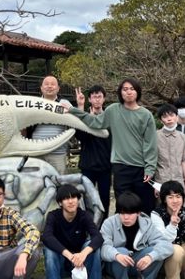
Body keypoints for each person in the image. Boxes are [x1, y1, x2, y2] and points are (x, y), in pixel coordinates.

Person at [68, 78, 158, 214]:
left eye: (132, 89)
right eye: (125, 89)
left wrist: (150, 168)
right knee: (122, 204)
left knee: (145, 204)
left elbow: (150, 143)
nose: (128, 92)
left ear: (138, 92)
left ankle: (144, 234)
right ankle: (121, 233)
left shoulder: (146, 115)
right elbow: (94, 123)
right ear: (120, 93)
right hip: (120, 166)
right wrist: (73, 110)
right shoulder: (113, 110)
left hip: (142, 168)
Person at [42, 184, 109, 279]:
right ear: (60, 202)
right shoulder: (53, 216)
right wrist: (69, 255)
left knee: (92, 246)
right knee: (49, 250)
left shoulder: (84, 216)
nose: (71, 201)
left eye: (74, 197)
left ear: (79, 200)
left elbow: (98, 237)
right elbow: (47, 237)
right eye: (66, 198)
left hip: (81, 263)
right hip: (62, 262)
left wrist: (83, 253)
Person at [100, 191, 173, 279]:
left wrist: (151, 257)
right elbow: (103, 248)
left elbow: (166, 245)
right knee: (121, 251)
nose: (126, 217)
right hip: (115, 265)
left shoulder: (147, 224)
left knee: (154, 251)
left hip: (136, 264)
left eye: (130, 213)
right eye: (122, 213)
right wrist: (116, 255)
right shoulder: (109, 223)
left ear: (138, 213)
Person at [74, 85, 112, 218]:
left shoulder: (109, 118)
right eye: (94, 97)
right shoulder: (84, 117)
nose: (97, 100)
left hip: (105, 165)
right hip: (88, 164)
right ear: (89, 99)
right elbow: (79, 136)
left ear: (104, 99)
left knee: (104, 198)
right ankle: (88, 226)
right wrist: (80, 106)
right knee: (87, 198)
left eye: (99, 96)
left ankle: (104, 226)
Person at [31, 75, 73, 174]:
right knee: (37, 183)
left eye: (53, 84)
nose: (49, 86)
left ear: (58, 89)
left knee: (58, 182)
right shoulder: (33, 103)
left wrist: (78, 107)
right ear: (41, 88)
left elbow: (76, 120)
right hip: (37, 151)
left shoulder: (64, 103)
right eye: (46, 84)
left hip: (58, 153)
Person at [154, 103, 185, 198]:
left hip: (178, 180)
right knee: (161, 209)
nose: (169, 119)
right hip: (161, 181)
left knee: (178, 208)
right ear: (161, 120)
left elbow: (184, 161)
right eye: (165, 116)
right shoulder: (155, 136)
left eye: (171, 115)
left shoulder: (182, 137)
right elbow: (152, 161)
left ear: (177, 117)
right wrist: (155, 185)